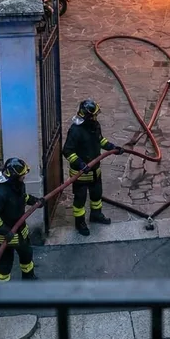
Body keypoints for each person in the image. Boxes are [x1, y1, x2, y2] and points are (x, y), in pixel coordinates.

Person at [63, 99, 124, 236]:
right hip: (80, 173)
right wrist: (79, 163)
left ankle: (96, 215)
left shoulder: (94, 125)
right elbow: (67, 151)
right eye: (94, 115)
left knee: (96, 196)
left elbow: (100, 140)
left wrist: (113, 147)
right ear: (88, 116)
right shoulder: (75, 131)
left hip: (95, 171)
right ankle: (80, 223)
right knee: (80, 200)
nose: (96, 117)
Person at [0, 157, 42, 281]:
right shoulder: (0, 193)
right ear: (14, 177)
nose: (24, 177)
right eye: (22, 175)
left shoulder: (19, 186)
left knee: (27, 254)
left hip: (20, 231)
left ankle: (28, 277)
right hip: (3, 237)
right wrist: (6, 231)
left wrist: (35, 201)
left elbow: (22, 198)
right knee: (6, 263)